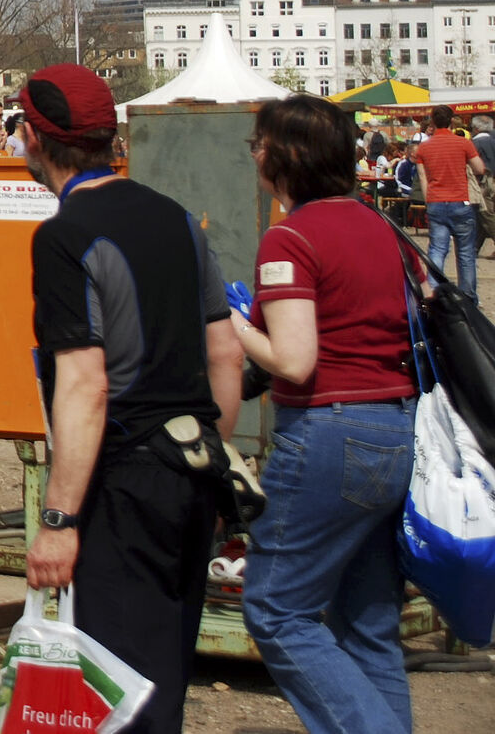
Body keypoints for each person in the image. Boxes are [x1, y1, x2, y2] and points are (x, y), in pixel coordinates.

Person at [22, 63, 241, 734]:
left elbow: (85, 382)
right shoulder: (178, 218)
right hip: (193, 467)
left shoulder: (64, 235)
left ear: (35, 137)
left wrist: (58, 519)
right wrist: (214, 461)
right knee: (165, 675)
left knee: (115, 687)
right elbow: (225, 353)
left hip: (124, 475)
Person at [229, 95, 419, 734]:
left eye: (259, 144)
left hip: (327, 431)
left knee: (277, 611)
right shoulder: (384, 229)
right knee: (369, 624)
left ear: (284, 157)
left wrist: (230, 323)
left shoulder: (290, 236)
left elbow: (294, 359)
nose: (254, 154)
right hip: (396, 427)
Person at [411, 103, 486, 297]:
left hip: (436, 201)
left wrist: (430, 201)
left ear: (433, 122)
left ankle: (433, 294)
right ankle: (468, 297)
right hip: (460, 200)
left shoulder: (423, 148)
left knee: (437, 249)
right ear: (452, 121)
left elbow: (422, 177)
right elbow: (479, 169)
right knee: (466, 252)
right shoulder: (463, 143)